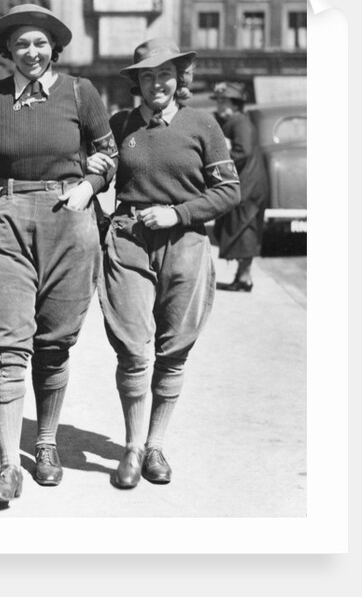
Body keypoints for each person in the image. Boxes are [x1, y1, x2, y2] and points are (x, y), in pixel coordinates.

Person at [0, 4, 119, 507]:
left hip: (67, 216)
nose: (32, 52)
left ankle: (45, 444)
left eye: (41, 43)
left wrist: (89, 187)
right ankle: (8, 465)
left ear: (54, 47)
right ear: (8, 49)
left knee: (54, 343)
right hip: (5, 217)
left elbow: (109, 154)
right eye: (22, 44)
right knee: (6, 344)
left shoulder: (80, 93)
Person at [92, 38, 240, 489]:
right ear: (137, 82)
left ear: (180, 80)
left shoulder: (203, 124)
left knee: (173, 350)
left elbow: (229, 190)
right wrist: (102, 218)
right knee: (133, 349)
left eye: (165, 75)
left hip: (186, 243)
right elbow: (97, 173)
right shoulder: (121, 124)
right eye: (148, 76)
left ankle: (156, 444)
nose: (157, 83)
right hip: (130, 243)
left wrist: (179, 213)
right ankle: (133, 447)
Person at [210, 82, 269, 292]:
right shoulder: (231, 121)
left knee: (245, 231)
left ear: (236, 104)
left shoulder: (239, 122)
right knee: (239, 229)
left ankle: (245, 277)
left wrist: (216, 164)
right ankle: (242, 276)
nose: (219, 105)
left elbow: (241, 152)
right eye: (218, 100)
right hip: (243, 184)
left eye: (224, 101)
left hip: (249, 186)